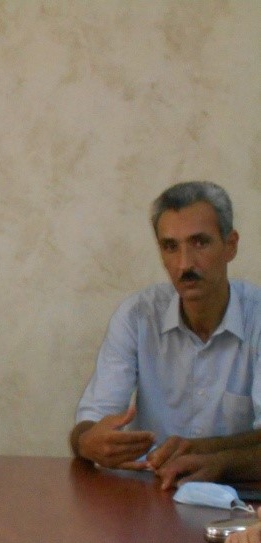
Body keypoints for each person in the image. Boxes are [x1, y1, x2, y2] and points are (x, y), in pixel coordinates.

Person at [71, 181, 261, 488]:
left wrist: (213, 460)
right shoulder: (137, 316)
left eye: (200, 243)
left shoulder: (257, 318)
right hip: (152, 492)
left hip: (238, 500)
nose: (185, 264)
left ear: (231, 245)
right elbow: (89, 425)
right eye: (171, 247)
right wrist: (86, 442)